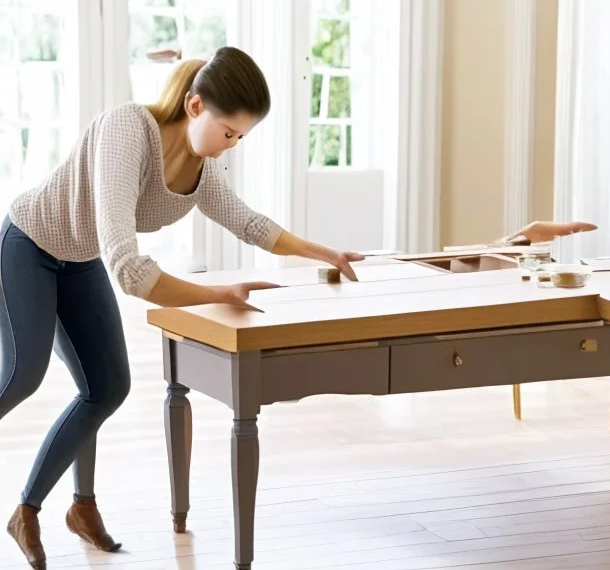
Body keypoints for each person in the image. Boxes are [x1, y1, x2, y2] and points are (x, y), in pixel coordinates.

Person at [0, 46, 365, 569]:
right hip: (29, 243)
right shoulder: (127, 131)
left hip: (78, 259)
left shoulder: (200, 168)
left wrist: (321, 251)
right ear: (195, 107)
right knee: (20, 377)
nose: (230, 146)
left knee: (105, 388)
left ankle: (58, 510)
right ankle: (34, 512)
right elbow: (127, 270)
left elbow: (250, 224)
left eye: (240, 137)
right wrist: (215, 295)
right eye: (228, 132)